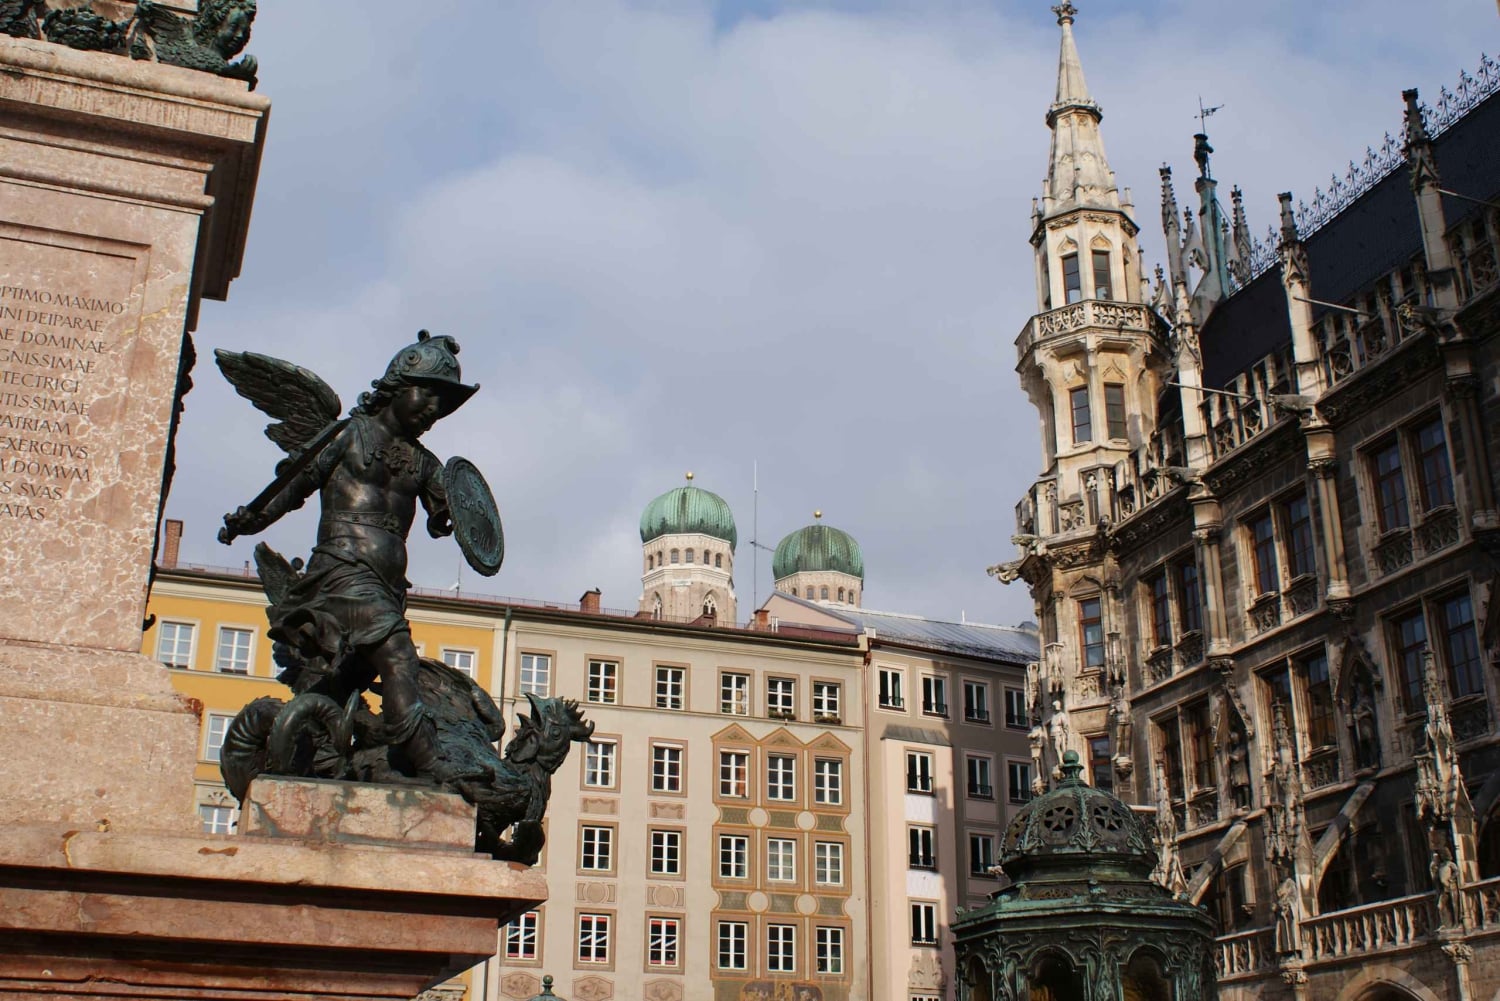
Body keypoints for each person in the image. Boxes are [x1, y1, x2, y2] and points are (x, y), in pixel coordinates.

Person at [221, 332, 477, 780]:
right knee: (398, 654)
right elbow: (293, 486)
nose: (433, 410)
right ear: (397, 387)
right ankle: (430, 762)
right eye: (428, 395)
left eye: (443, 404)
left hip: (387, 586)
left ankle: (304, 763)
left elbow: (462, 513)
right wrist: (253, 519)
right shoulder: (348, 434)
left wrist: (451, 517)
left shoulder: (423, 462)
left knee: (335, 684)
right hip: (341, 570)